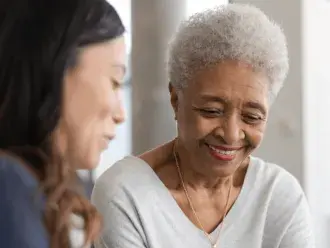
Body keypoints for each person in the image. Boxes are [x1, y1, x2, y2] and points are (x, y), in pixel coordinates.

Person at [92, 3, 315, 248]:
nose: (231, 135)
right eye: (211, 111)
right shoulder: (126, 194)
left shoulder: (278, 196)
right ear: (176, 99)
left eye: (252, 117)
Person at [0, 0, 126, 247]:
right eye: (115, 81)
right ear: (56, 70)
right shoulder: (8, 188)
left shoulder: (39, 194)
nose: (121, 113)